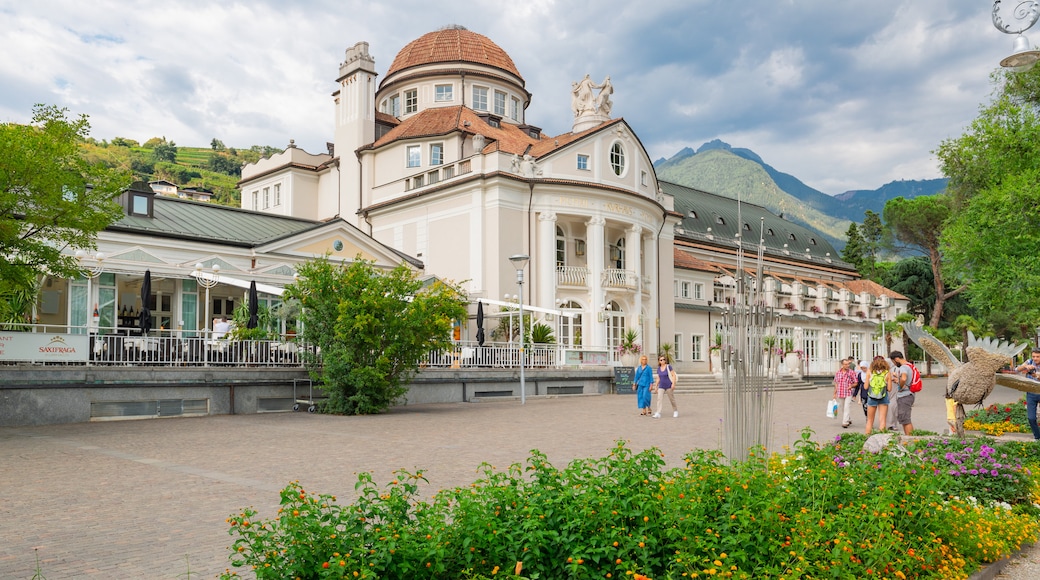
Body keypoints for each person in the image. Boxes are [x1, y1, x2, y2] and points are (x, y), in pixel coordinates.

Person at [1015, 348, 1040, 440]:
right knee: (1031, 418)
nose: (1035, 358)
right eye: (1034, 356)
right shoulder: (1029, 361)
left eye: (1037, 357)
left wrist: (1036, 375)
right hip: (1031, 393)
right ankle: (1037, 437)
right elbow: (1016, 370)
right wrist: (1025, 366)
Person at [889, 351, 914, 434]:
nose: (895, 364)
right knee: (904, 419)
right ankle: (909, 438)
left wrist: (900, 385)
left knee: (905, 419)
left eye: (893, 362)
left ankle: (910, 439)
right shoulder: (910, 365)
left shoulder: (903, 367)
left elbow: (903, 378)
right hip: (910, 393)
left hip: (905, 395)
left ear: (896, 359)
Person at [864, 356, 891, 435]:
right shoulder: (887, 373)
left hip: (872, 397)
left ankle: (867, 437)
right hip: (883, 396)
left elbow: (865, 387)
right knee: (882, 419)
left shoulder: (869, 372)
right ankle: (882, 439)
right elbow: (889, 389)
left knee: (870, 420)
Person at [832, 357, 858, 428]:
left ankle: (845, 422)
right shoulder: (838, 373)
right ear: (842, 365)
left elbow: (856, 382)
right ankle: (848, 418)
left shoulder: (851, 372)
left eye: (848, 364)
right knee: (842, 407)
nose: (847, 365)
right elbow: (836, 383)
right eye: (846, 364)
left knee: (847, 407)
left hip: (848, 392)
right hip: (840, 392)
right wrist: (834, 393)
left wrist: (851, 386)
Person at [886, 354, 909, 432]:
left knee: (889, 405)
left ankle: (888, 423)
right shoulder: (896, 369)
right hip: (894, 388)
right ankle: (892, 423)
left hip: (888, 389)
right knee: (893, 405)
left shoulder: (887, 370)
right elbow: (902, 379)